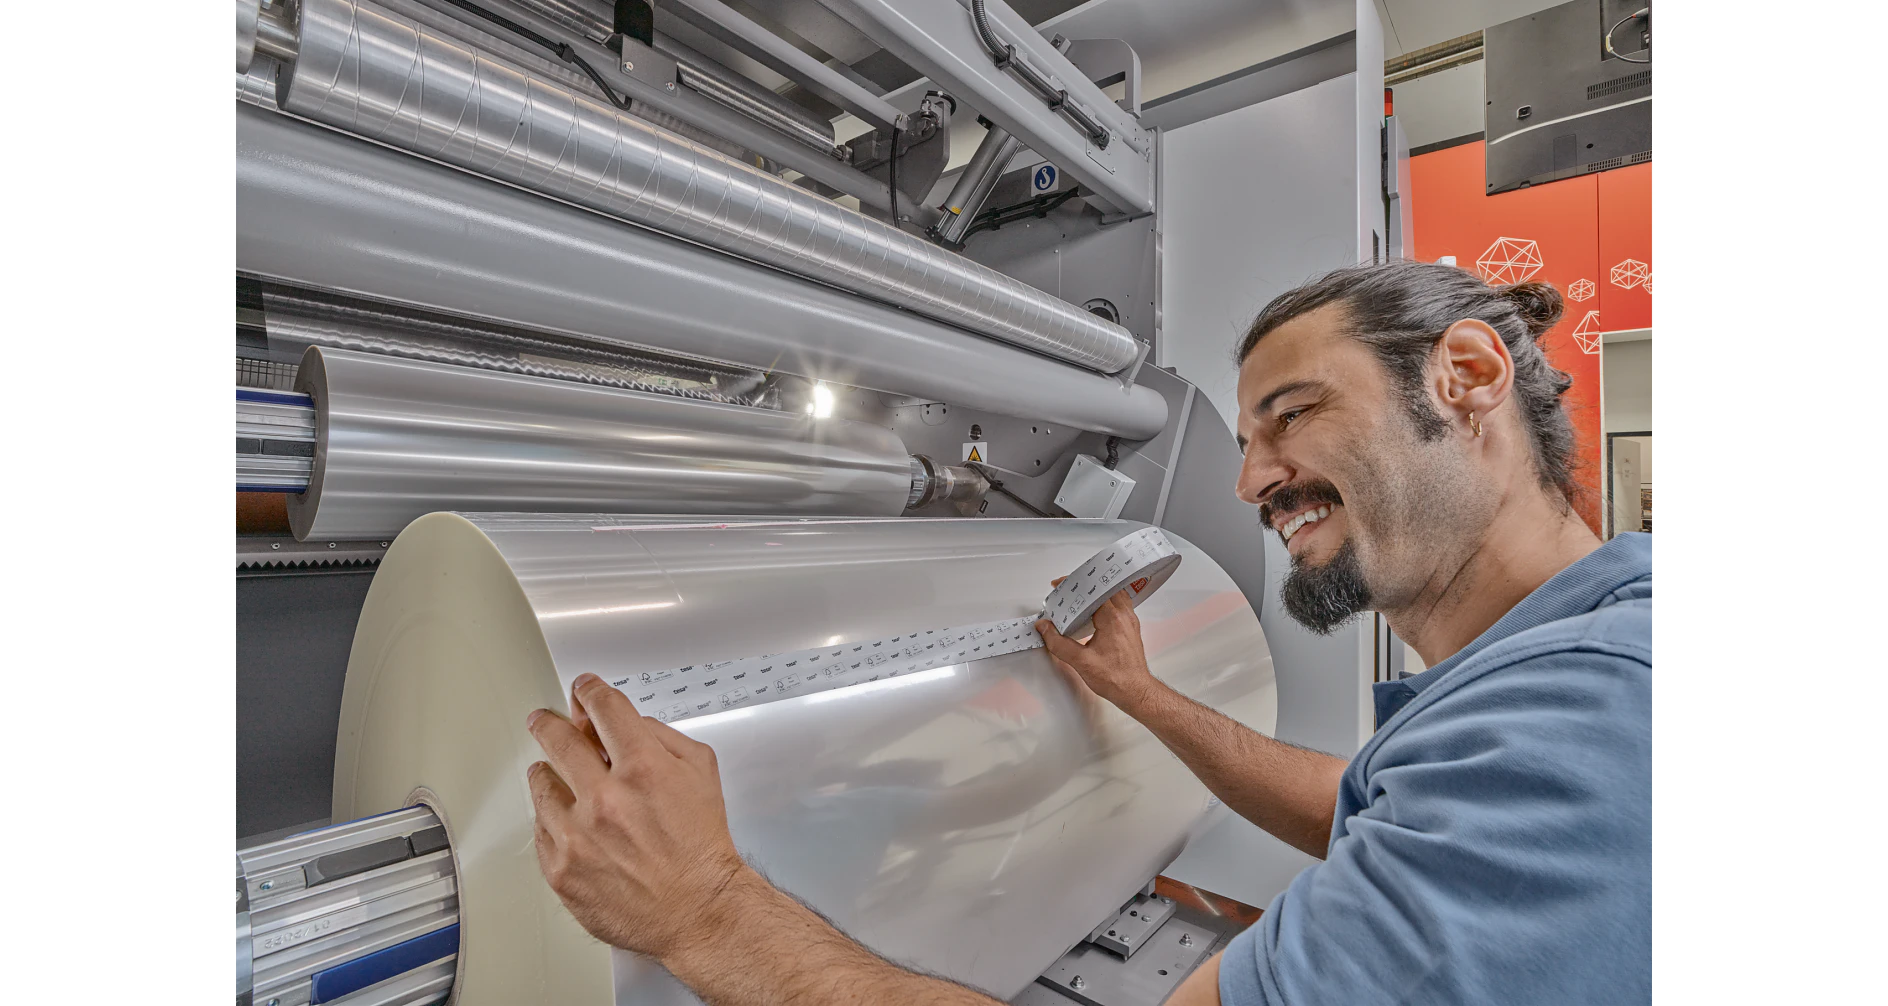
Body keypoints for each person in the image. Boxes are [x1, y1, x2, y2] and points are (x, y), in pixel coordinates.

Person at [523, 261, 1651, 1005]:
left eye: (1292, 414)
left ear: (1465, 377)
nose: (1253, 477)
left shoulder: (1583, 734)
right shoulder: (1575, 659)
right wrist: (1140, 694)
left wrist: (707, 907)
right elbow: (1361, 804)